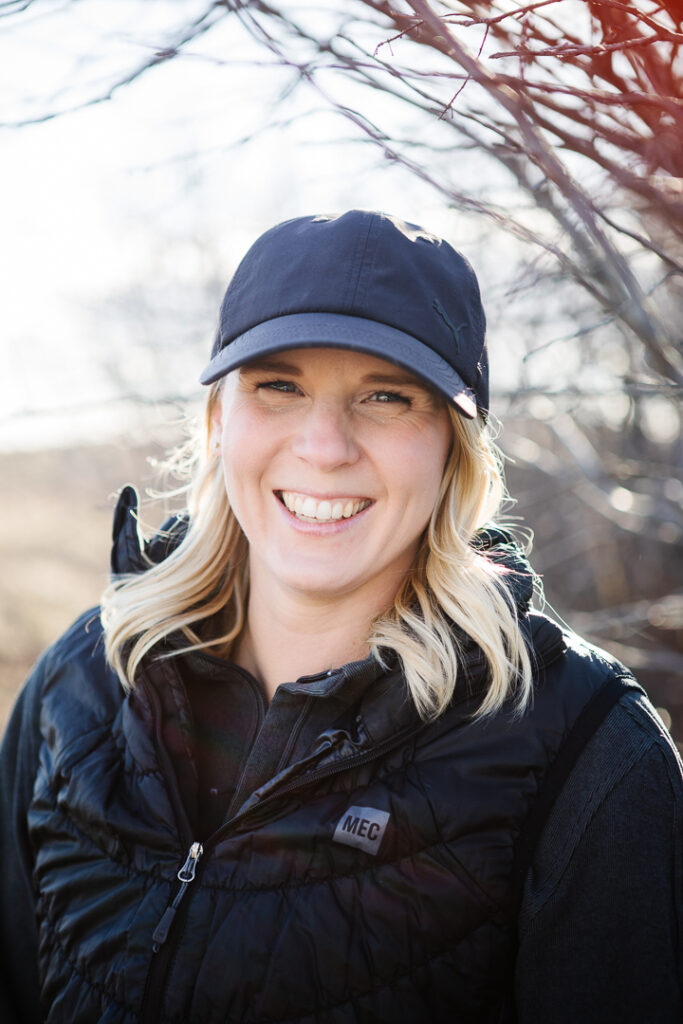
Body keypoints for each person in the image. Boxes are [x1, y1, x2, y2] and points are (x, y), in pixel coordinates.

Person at [1, 210, 681, 1024]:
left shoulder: (584, 747)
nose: (324, 447)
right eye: (278, 386)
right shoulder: (83, 678)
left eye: (386, 396)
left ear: (451, 450)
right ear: (220, 422)